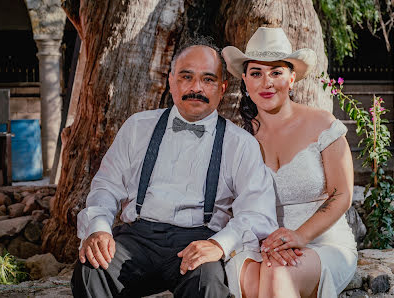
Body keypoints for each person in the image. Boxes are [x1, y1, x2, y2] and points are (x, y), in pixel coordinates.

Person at [71, 36, 279, 298]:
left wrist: (218, 244)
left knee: (208, 285)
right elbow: (106, 185)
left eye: (208, 79)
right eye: (186, 77)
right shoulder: (137, 127)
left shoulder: (241, 144)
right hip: (137, 239)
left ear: (222, 87)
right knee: (91, 270)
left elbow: (258, 212)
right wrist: (99, 228)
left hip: (199, 241)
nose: (196, 88)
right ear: (171, 81)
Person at [222, 27, 357, 298]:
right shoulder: (237, 139)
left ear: (292, 78)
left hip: (322, 241)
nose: (266, 82)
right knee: (267, 270)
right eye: (256, 73)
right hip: (257, 245)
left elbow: (342, 194)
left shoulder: (323, 124)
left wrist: (300, 236)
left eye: (276, 72)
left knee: (277, 271)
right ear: (245, 82)